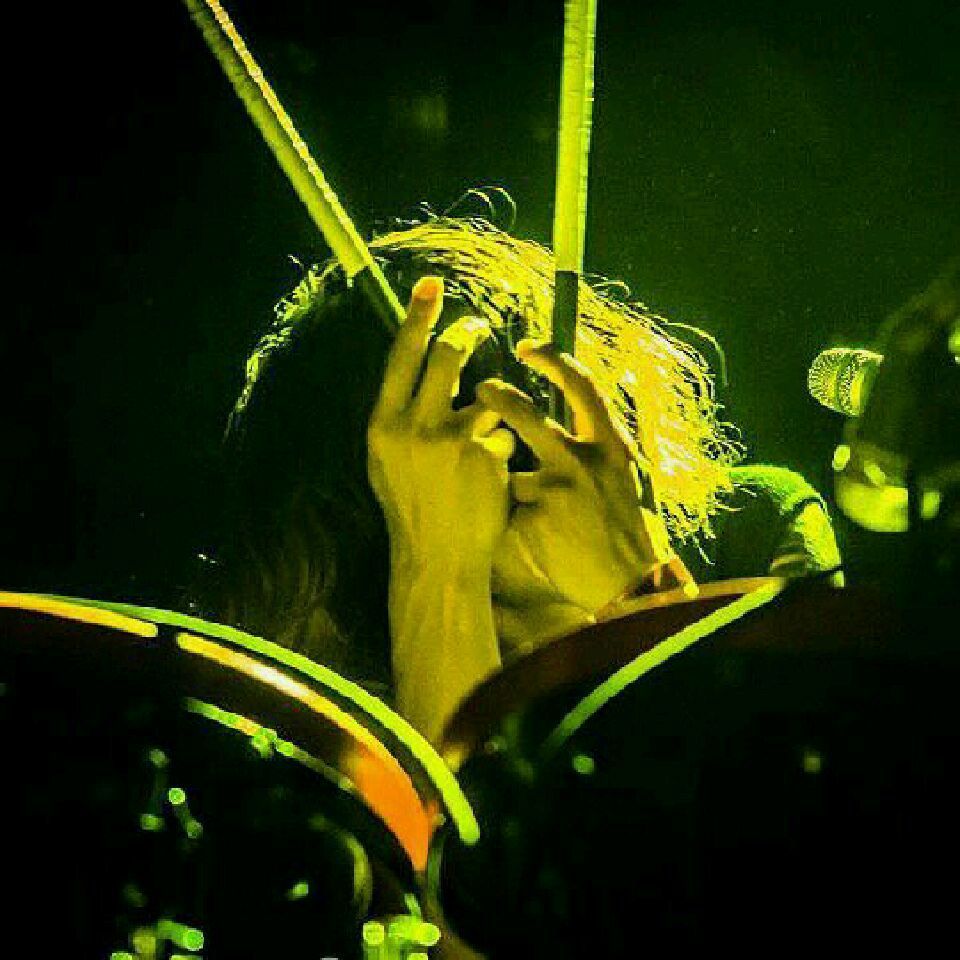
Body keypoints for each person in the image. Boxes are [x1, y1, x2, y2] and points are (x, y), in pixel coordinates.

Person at [203, 216, 838, 742]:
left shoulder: (751, 535)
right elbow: (463, 854)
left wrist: (640, 588)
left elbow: (766, 834)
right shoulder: (310, 697)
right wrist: (439, 573)